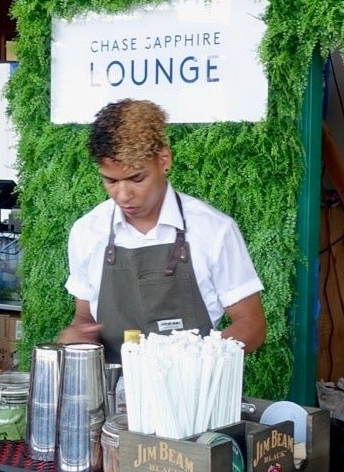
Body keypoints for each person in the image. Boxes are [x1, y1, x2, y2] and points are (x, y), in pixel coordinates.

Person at [58, 99, 267, 361]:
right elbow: (84, 315)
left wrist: (203, 359)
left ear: (164, 160)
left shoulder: (214, 230)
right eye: (110, 180)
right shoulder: (87, 231)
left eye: (137, 178)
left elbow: (251, 324)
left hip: (193, 381)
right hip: (112, 384)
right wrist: (78, 334)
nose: (123, 195)